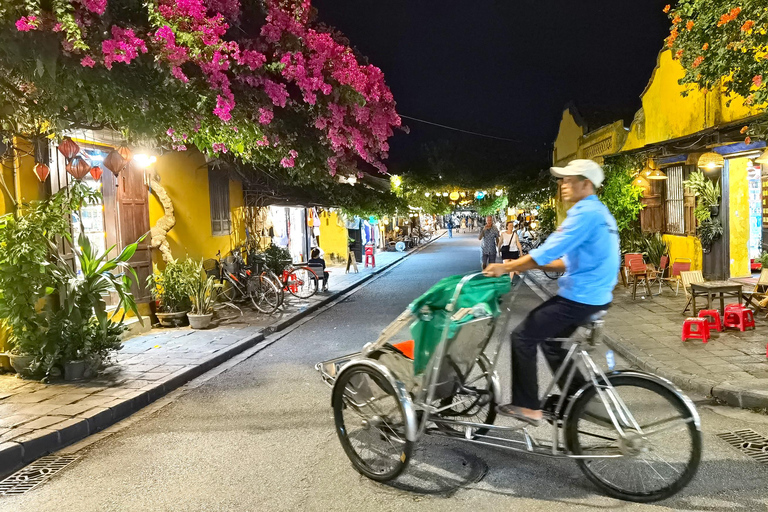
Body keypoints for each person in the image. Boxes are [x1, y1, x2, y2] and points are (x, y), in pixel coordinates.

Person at [483, 159, 619, 425]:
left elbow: (545, 253)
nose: (563, 185)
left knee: (522, 337)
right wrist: (520, 265)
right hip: (595, 295)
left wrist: (506, 267)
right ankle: (581, 400)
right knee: (552, 343)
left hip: (580, 296)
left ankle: (528, 406)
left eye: (569, 180)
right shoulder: (600, 214)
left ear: (586, 184)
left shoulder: (584, 214)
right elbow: (563, 261)